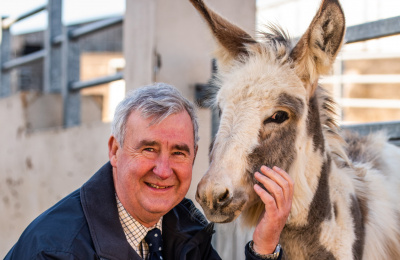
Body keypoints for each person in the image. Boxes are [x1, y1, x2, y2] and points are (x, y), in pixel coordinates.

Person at [5, 83, 294, 260]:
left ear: (194, 157)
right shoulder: (55, 251)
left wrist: (265, 245)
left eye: (179, 152)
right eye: (148, 149)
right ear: (115, 151)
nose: (163, 170)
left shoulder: (185, 226)